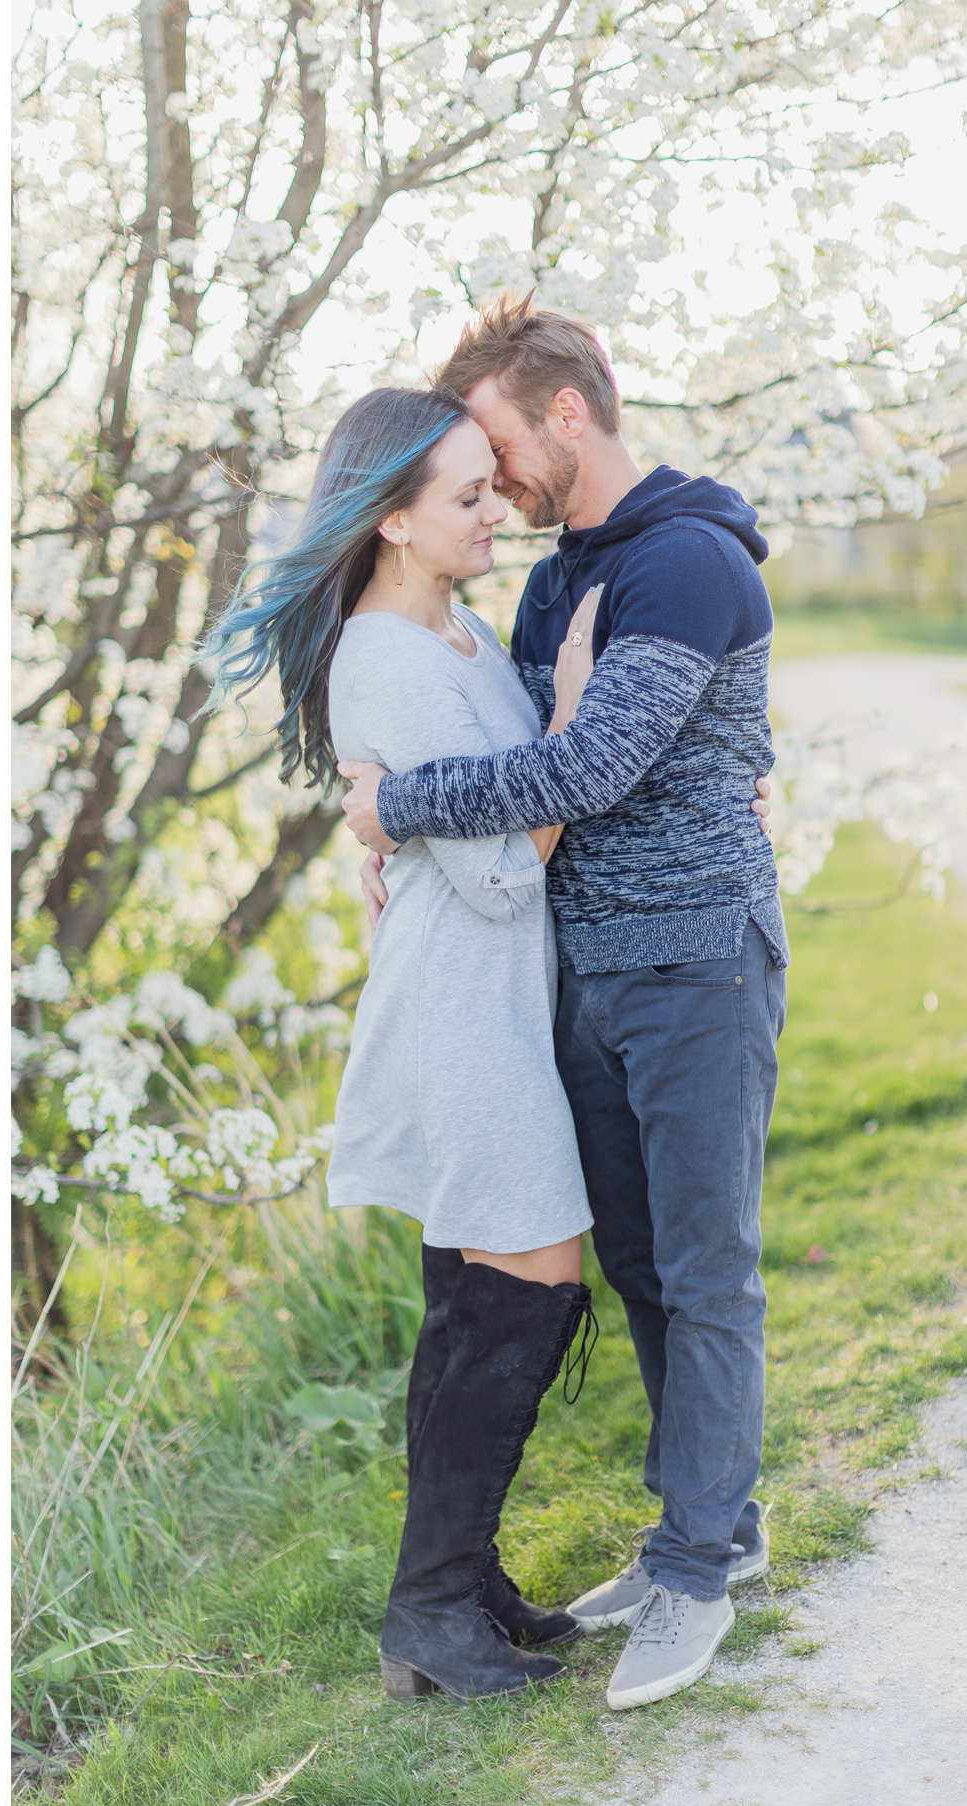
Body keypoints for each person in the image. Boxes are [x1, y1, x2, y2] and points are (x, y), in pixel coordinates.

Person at [337, 293, 784, 1713]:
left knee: (705, 1266)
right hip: (585, 972)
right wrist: (405, 835)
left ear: (567, 413)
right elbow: (524, 759)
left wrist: (392, 810)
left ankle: (700, 1569)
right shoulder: (551, 581)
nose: (499, 482)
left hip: (696, 960)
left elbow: (581, 773)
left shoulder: (690, 565)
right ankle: (703, 1522)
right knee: (647, 1263)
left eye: (501, 447)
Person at [205, 387, 603, 1700]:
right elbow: (497, 874)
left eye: (495, 483)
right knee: (531, 1278)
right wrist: (577, 732)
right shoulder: (383, 653)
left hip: (493, 998)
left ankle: (453, 1587)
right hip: (463, 1008)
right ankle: (431, 1601)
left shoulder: (461, 633)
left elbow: (466, 827)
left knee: (482, 1290)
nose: (497, 511)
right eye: (468, 494)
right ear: (390, 517)